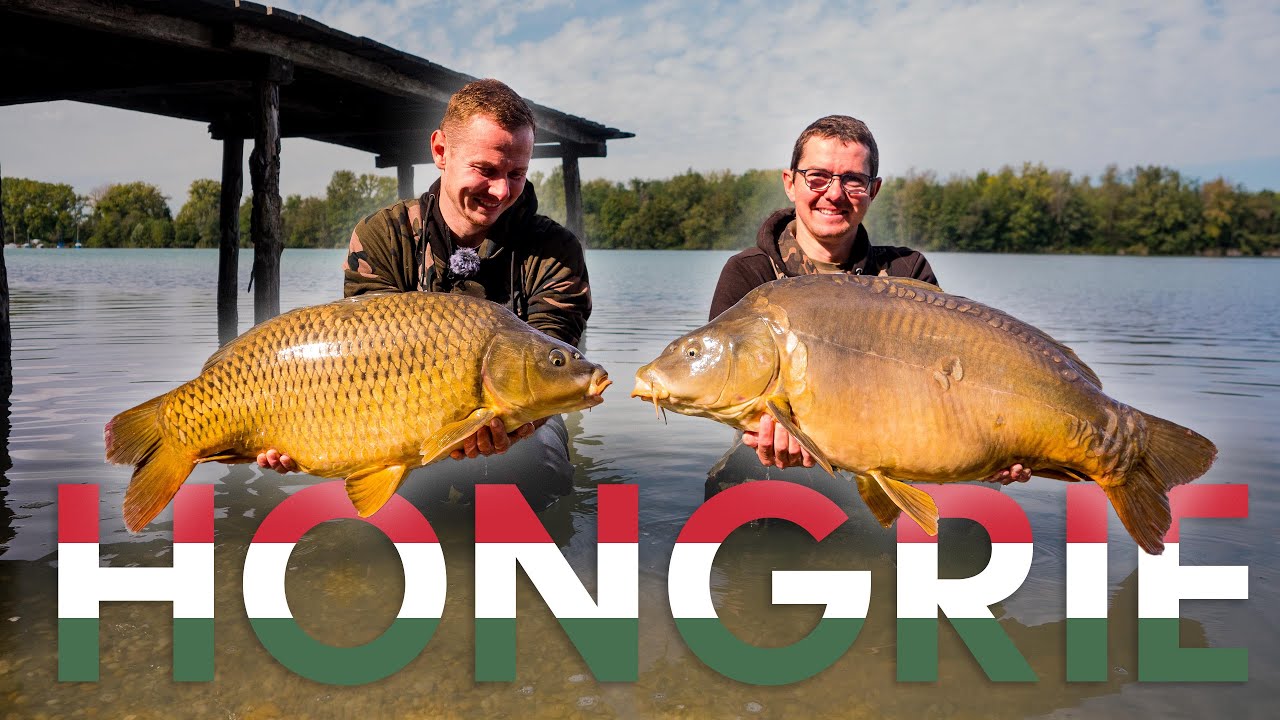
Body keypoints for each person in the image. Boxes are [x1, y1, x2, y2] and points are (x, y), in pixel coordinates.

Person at [257, 79, 591, 506]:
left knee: (534, 471)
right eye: (486, 170)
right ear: (440, 151)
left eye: (516, 173)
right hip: (395, 416)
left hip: (515, 424)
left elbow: (551, 364)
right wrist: (304, 434)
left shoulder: (556, 251)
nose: (502, 191)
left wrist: (513, 426)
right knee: (368, 486)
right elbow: (354, 363)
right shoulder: (383, 235)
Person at [708, 115, 1029, 484]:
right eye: (817, 177)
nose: (833, 193)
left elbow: (949, 389)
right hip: (769, 467)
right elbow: (733, 399)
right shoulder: (750, 274)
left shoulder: (906, 270)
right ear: (790, 183)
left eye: (853, 180)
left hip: (894, 458)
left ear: (873, 190)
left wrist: (984, 448)